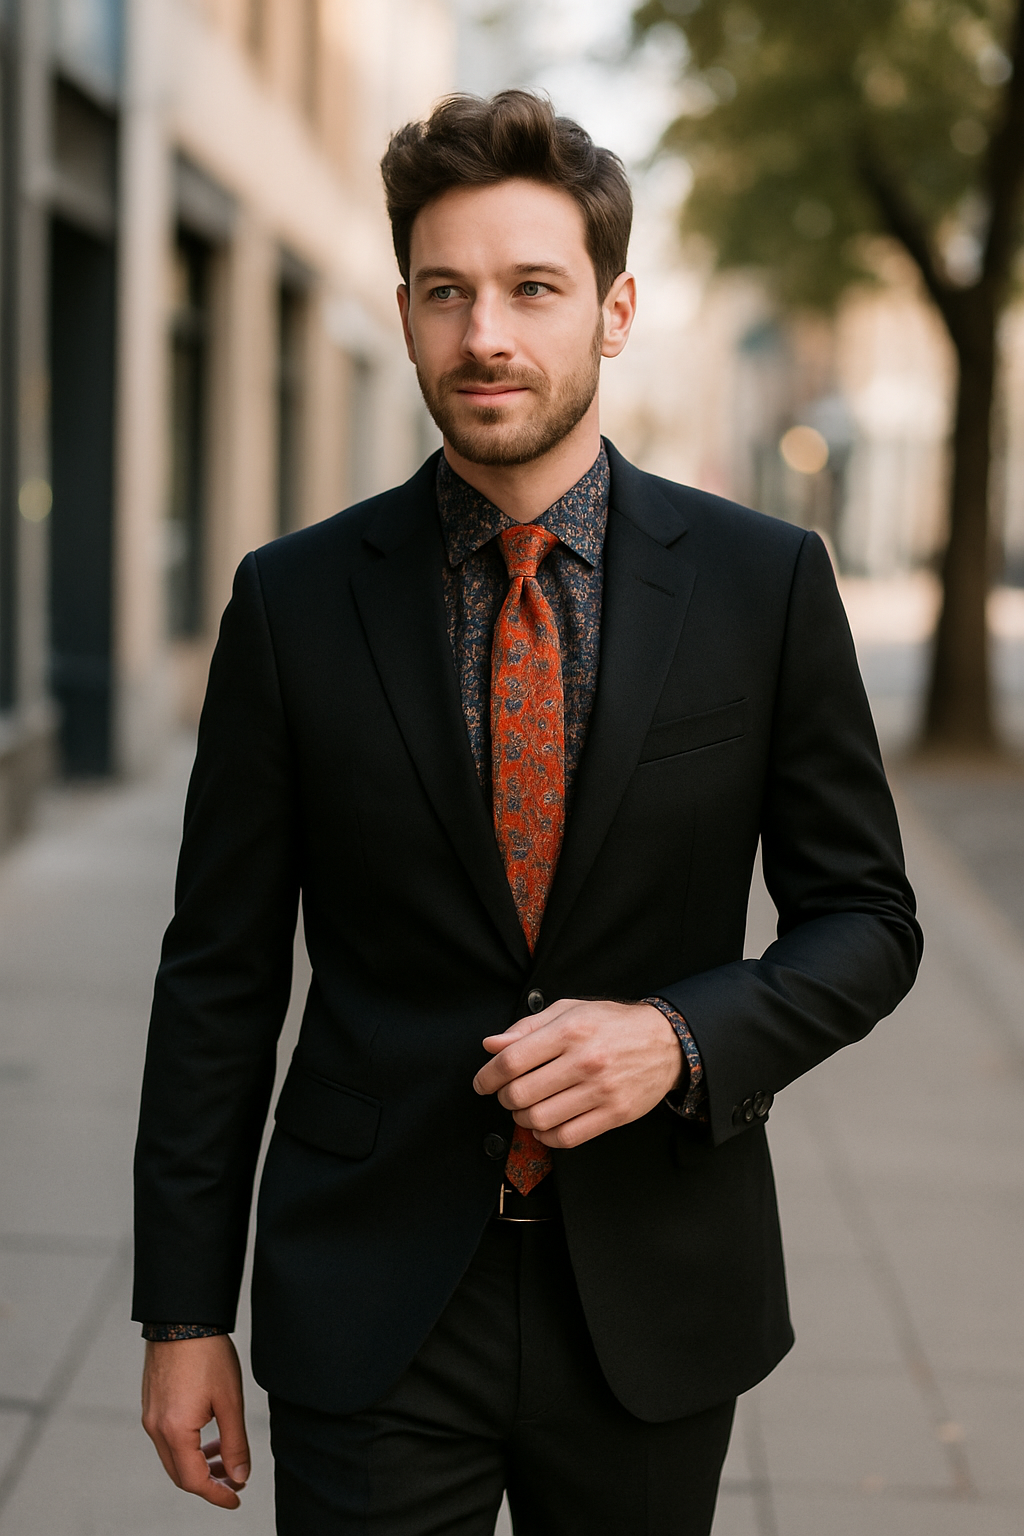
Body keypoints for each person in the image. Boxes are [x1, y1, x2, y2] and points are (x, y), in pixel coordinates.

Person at [134, 90, 922, 1536]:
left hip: (655, 1295)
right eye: (447, 292)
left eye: (531, 289)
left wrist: (681, 1038)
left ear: (613, 313)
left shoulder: (766, 585)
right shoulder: (293, 603)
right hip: (370, 1291)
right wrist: (183, 1312)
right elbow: (219, 979)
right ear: (405, 311)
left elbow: (867, 921)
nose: (484, 332)